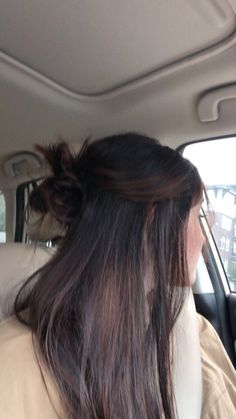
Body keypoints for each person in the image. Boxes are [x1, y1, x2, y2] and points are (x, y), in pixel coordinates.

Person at [0, 133, 235, 418]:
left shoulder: (193, 332)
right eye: (197, 215)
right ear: (152, 222)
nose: (203, 237)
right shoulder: (10, 368)